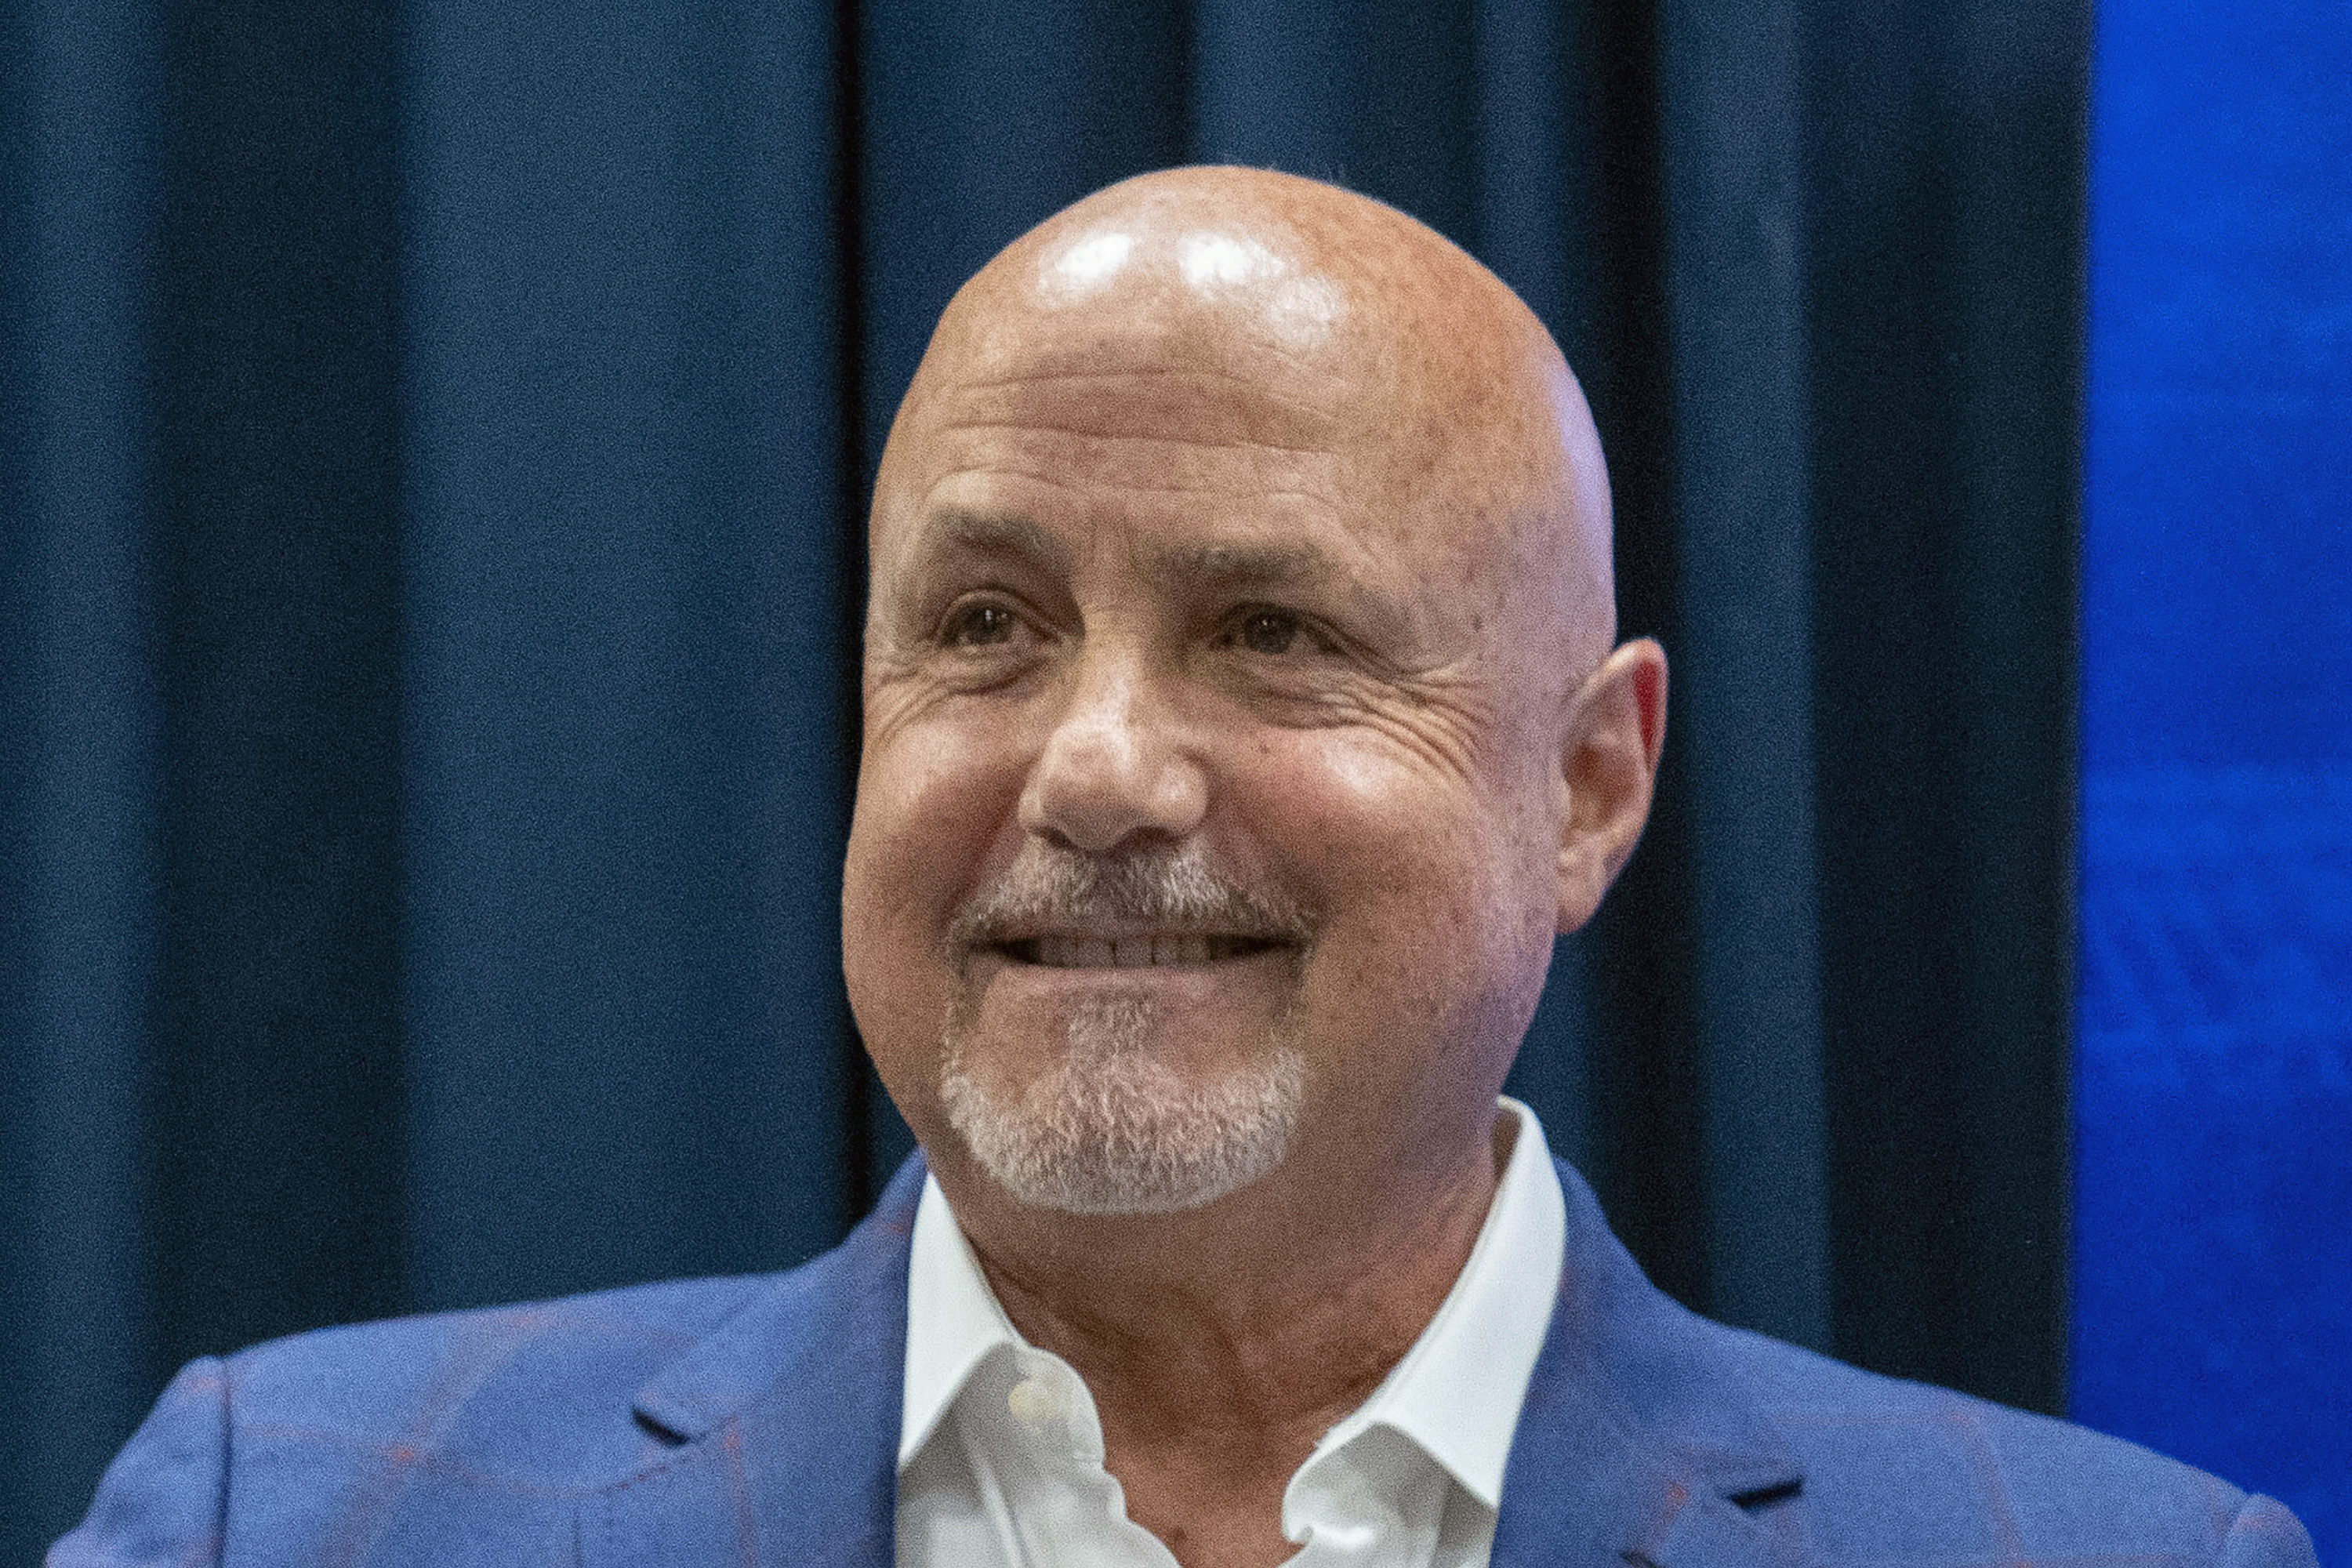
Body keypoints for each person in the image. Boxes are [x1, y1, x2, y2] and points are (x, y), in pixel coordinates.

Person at [52, 167, 2315, 1568]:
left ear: (1590, 785)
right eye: (985, 631)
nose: (1103, 772)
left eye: (1270, 632)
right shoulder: (304, 1516)